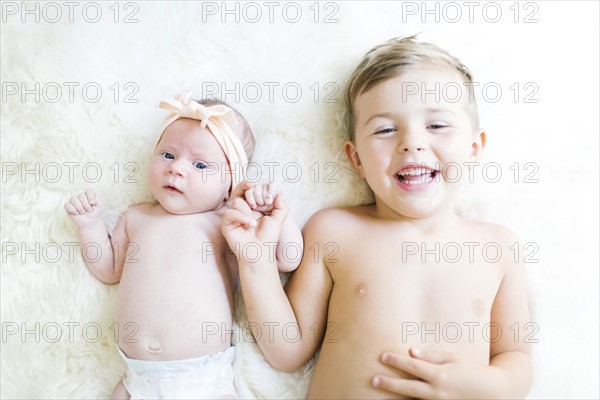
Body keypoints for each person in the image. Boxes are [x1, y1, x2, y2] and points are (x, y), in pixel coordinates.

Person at [221, 36, 533, 399]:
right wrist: (255, 263)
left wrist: (482, 383)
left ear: (474, 147)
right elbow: (288, 351)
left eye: (437, 126)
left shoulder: (498, 246)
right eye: (386, 129)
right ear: (356, 159)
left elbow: (516, 357)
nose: (411, 142)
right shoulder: (335, 230)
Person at [64, 92, 302, 399]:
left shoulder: (227, 223)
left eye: (200, 165)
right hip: (137, 379)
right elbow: (108, 269)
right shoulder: (136, 217)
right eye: (168, 155)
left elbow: (288, 257)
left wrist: (274, 215)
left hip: (202, 380)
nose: (177, 168)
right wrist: (90, 226)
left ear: (229, 185)